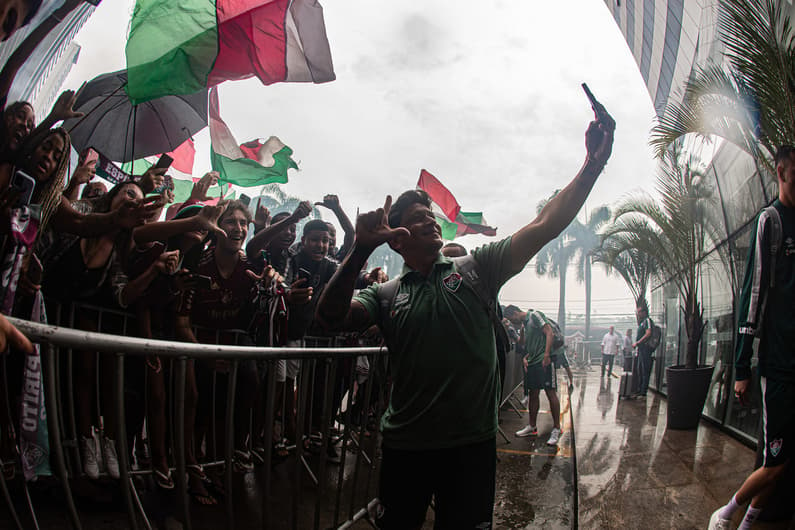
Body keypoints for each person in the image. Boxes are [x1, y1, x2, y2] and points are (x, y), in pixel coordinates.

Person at [316, 105, 614, 529]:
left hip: (470, 448)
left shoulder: (478, 269)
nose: (432, 223)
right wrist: (359, 249)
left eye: (431, 216)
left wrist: (592, 166)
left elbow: (544, 224)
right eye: (420, 220)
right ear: (398, 238)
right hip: (405, 448)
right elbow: (329, 319)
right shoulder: (385, 294)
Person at [708, 145, 795, 530]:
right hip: (778, 367)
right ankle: (726, 513)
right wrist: (742, 367)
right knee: (774, 461)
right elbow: (753, 296)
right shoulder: (770, 221)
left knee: (784, 461)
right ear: (782, 171)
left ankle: (746, 522)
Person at [509, 308, 562, 446]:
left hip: (544, 362)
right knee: (533, 394)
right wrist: (526, 357)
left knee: (551, 393)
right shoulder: (524, 325)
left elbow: (549, 332)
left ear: (515, 313)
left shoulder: (535, 316)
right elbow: (523, 343)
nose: (512, 322)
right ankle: (532, 426)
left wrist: (546, 355)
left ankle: (556, 428)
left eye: (511, 319)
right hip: (532, 362)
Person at [632, 302, 653, 397]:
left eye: (640, 312)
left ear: (644, 312)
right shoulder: (642, 322)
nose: (638, 314)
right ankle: (640, 389)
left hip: (645, 349)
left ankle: (643, 391)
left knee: (645, 370)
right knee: (639, 369)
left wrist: (638, 342)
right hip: (640, 350)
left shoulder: (647, 321)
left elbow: (648, 333)